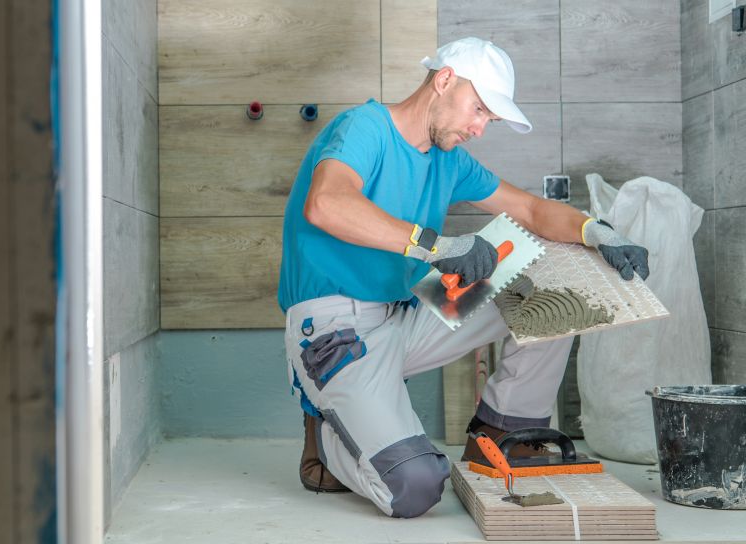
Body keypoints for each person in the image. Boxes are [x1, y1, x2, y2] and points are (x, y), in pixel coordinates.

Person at [277, 37, 649, 518]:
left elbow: (531, 210)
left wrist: (594, 231)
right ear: (444, 80)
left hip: (404, 315)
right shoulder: (363, 128)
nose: (479, 128)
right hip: (335, 331)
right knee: (415, 486)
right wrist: (441, 247)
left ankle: (501, 431)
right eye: (479, 110)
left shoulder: (448, 157)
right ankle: (326, 442)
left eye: (488, 120)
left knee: (548, 269)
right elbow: (327, 204)